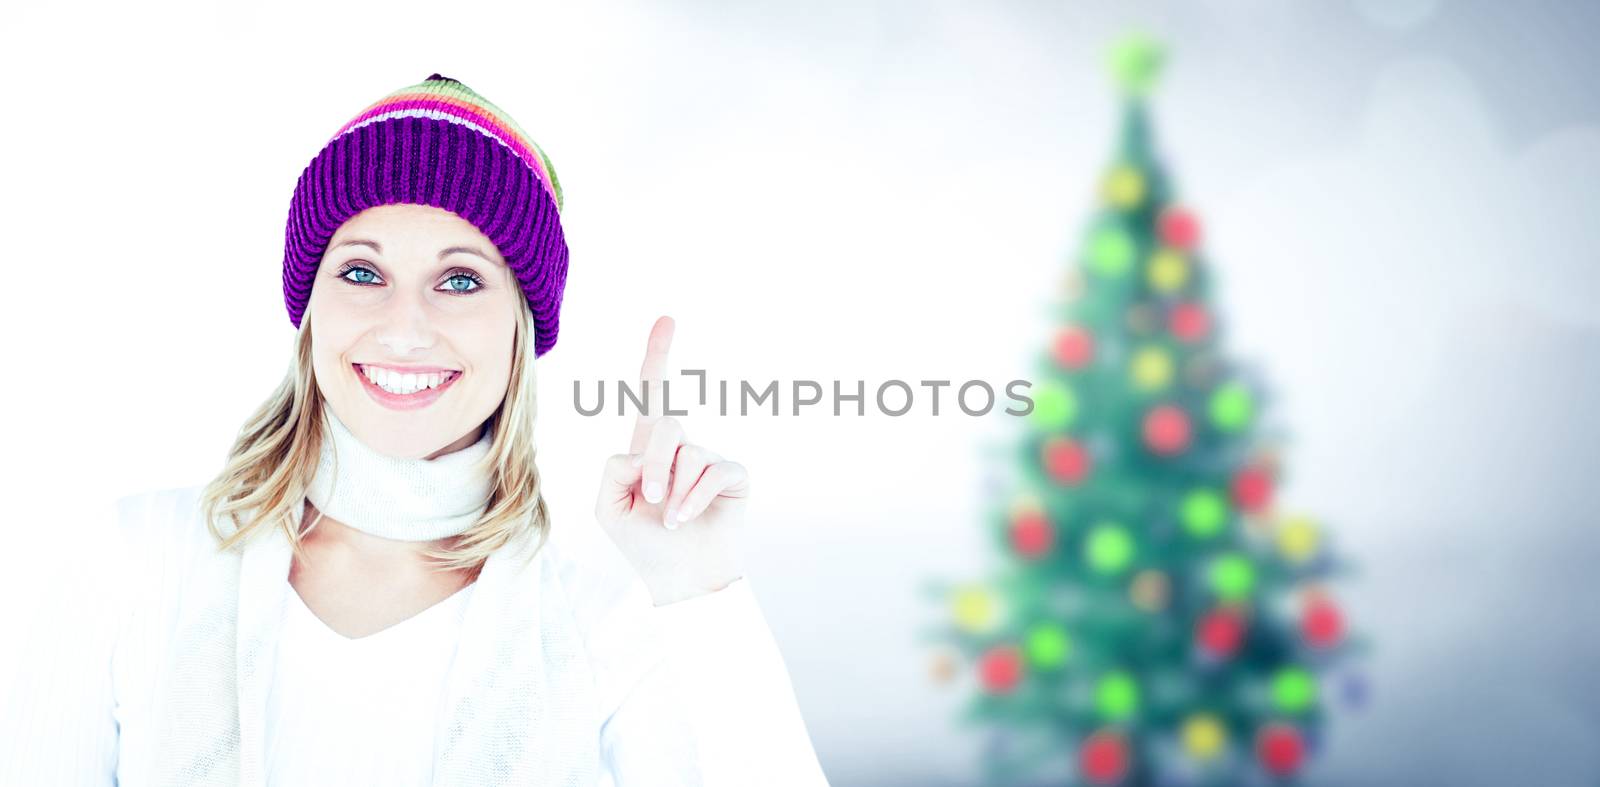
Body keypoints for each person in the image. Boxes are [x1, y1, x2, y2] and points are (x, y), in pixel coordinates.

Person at [0, 73, 830, 787]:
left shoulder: (602, 622)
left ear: (522, 326)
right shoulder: (133, 562)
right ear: (311, 308)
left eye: (461, 279)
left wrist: (700, 592)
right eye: (362, 271)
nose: (405, 327)